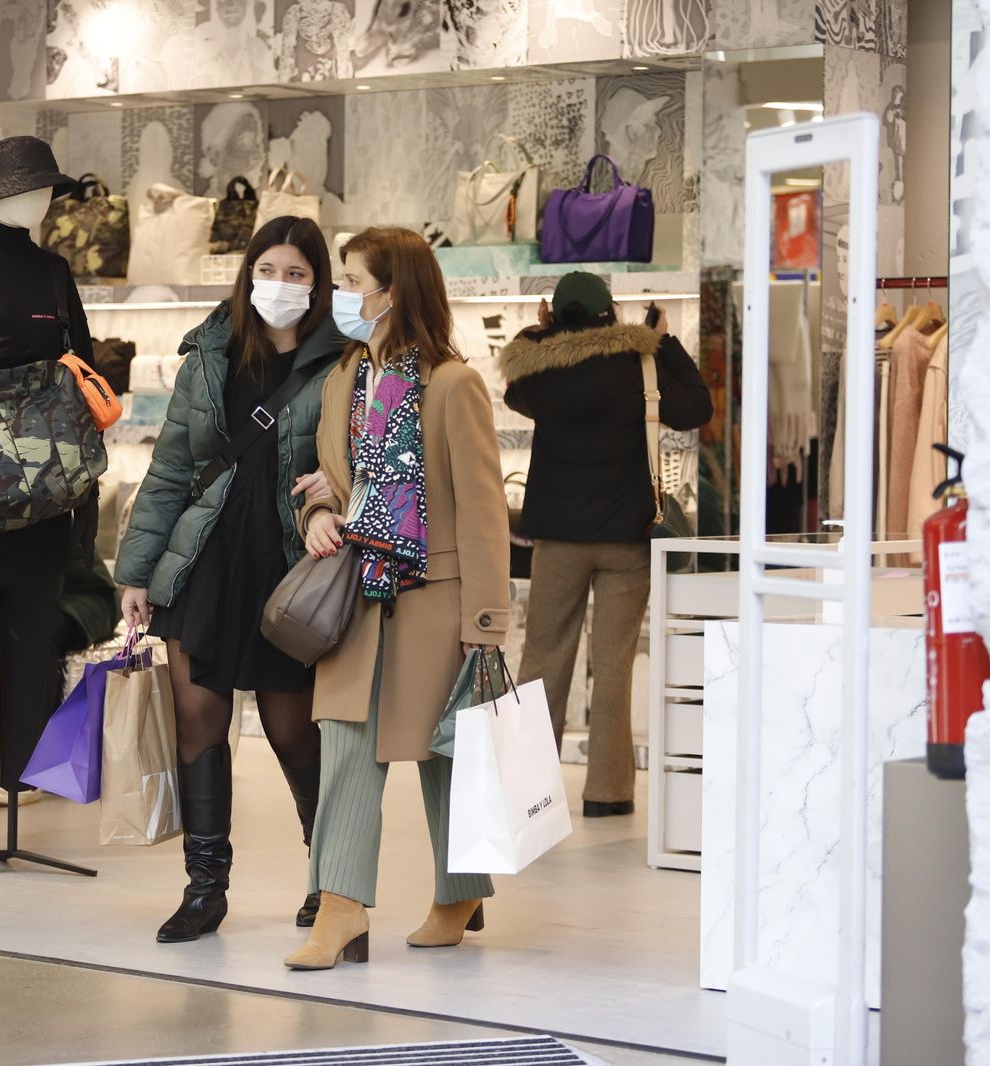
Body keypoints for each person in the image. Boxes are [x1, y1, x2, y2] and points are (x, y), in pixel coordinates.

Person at [115, 216, 347, 943]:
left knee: (293, 731)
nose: (279, 284)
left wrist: (335, 489)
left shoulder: (344, 362)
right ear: (248, 275)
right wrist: (137, 572)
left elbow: (363, 457)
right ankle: (204, 889)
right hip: (207, 561)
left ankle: (329, 879)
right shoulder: (211, 355)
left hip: (290, 567)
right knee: (198, 722)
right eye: (267, 270)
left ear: (318, 283)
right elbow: (170, 471)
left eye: (296, 273)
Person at [285, 226, 510, 971]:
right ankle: (340, 908)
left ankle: (459, 894)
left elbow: (483, 510)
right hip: (355, 594)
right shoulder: (343, 380)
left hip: (436, 599)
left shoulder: (452, 384)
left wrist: (485, 621)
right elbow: (327, 480)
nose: (341, 296)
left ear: (394, 291)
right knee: (346, 746)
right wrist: (318, 515)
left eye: (353, 282)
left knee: (445, 755)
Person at [498, 272, 712, 817]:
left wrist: (541, 332)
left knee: (543, 657)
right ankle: (608, 793)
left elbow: (513, 385)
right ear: (610, 311)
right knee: (614, 666)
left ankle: (530, 795)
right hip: (626, 539)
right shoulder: (641, 364)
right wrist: (662, 341)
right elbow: (696, 407)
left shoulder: (540, 370)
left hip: (558, 541)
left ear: (554, 314)